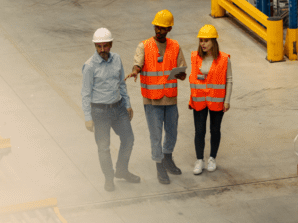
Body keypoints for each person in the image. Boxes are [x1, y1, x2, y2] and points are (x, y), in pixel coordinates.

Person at [127, 10, 186, 184]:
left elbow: (182, 69)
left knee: (172, 131)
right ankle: (159, 165)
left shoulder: (175, 46)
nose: (159, 31)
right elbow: (137, 63)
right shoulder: (144, 46)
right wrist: (135, 71)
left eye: (163, 28)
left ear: (169, 29)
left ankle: (167, 157)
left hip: (170, 97)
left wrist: (181, 75)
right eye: (157, 27)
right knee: (156, 134)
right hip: (152, 99)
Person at [82, 27, 141, 192]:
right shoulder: (89, 66)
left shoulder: (117, 59)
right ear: (95, 46)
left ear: (111, 44)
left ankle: (121, 170)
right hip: (99, 113)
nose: (102, 50)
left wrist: (127, 104)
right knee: (104, 147)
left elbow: (121, 84)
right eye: (98, 46)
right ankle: (109, 178)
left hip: (118, 108)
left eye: (105, 46)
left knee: (128, 139)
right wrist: (88, 116)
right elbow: (85, 94)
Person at [188, 24, 232, 174]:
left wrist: (227, 100)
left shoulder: (224, 59)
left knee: (215, 130)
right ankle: (199, 160)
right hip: (199, 100)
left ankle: (212, 158)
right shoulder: (195, 56)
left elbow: (229, 80)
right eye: (201, 40)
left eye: (206, 40)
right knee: (199, 131)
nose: (203, 44)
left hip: (216, 100)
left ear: (214, 41)